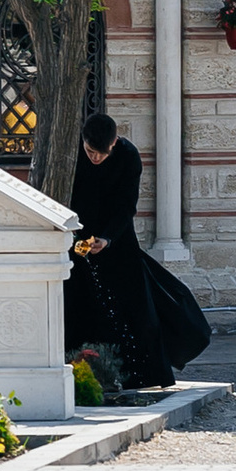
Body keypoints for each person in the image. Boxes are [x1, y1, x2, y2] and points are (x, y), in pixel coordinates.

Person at [63, 113, 207, 387]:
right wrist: (79, 236)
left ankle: (139, 376)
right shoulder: (73, 154)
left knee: (135, 308)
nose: (95, 158)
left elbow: (126, 204)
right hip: (79, 238)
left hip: (117, 239)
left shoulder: (128, 156)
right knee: (80, 302)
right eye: (90, 152)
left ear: (114, 143)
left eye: (101, 153)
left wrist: (107, 239)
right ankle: (83, 372)